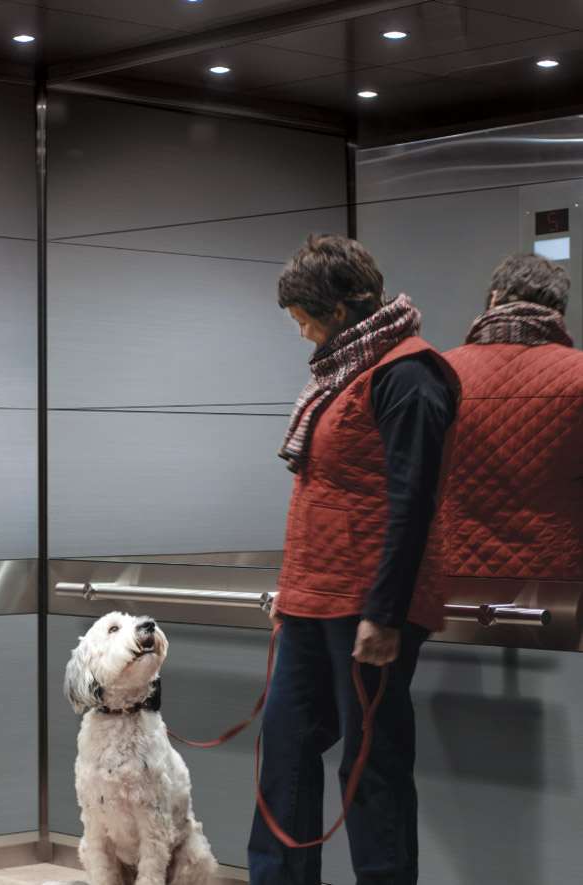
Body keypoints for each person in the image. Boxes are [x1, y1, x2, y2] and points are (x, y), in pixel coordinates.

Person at [248, 234, 459, 885]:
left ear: (338, 310)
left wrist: (386, 612)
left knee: (372, 764)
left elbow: (413, 500)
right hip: (312, 599)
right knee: (283, 747)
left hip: (368, 606)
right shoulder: (341, 373)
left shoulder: (409, 374)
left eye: (304, 318)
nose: (301, 332)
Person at [419, 253, 583, 600]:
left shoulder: (438, 373)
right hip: (556, 589)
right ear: (558, 309)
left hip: (451, 582)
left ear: (493, 300)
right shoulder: (579, 375)